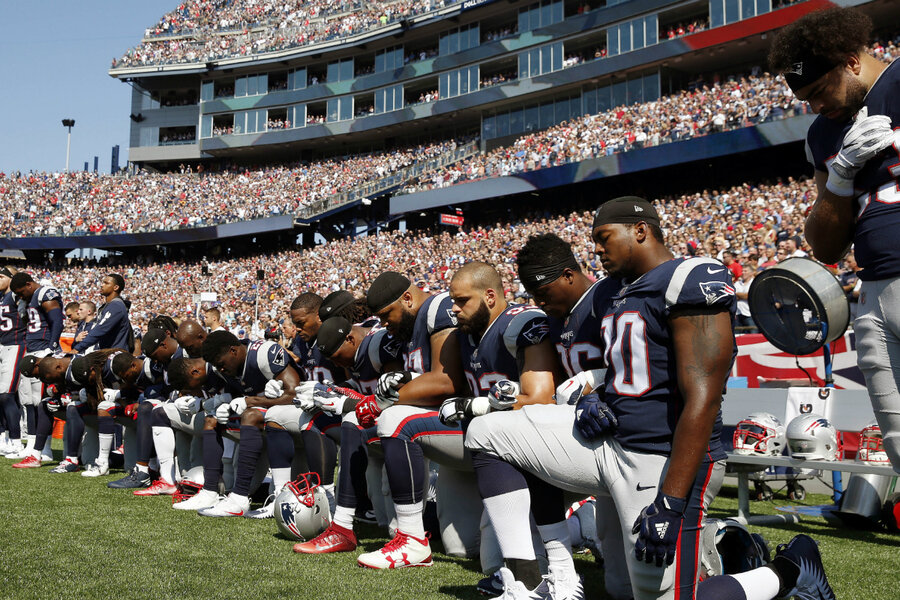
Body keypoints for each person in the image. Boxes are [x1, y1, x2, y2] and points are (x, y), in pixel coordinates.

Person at [466, 197, 835, 600]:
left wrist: (671, 502)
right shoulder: (616, 291)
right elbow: (628, 372)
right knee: (487, 432)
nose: (598, 251)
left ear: (639, 231)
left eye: (604, 238)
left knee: (661, 596)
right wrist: (591, 396)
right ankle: (532, 580)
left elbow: (703, 398)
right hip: (613, 444)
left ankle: (789, 569)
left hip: (662, 457)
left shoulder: (690, 277)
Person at [769, 6, 900, 473]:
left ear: (849, 59)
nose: (817, 106)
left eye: (820, 91)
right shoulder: (825, 134)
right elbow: (825, 247)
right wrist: (841, 175)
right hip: (875, 296)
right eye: (806, 98)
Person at [9, 272, 63, 465]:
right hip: (32, 351)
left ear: (29, 284)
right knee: (29, 402)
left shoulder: (45, 293)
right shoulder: (30, 299)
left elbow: (57, 320)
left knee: (42, 402)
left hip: (43, 351)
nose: (21, 296)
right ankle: (33, 445)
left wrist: (52, 346)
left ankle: (45, 448)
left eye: (21, 291)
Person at [0, 267, 26, 457]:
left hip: (16, 345)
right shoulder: (2, 298)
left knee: (7, 395)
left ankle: (17, 442)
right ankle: (4, 437)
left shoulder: (17, 297)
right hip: (3, 345)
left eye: (1, 277)